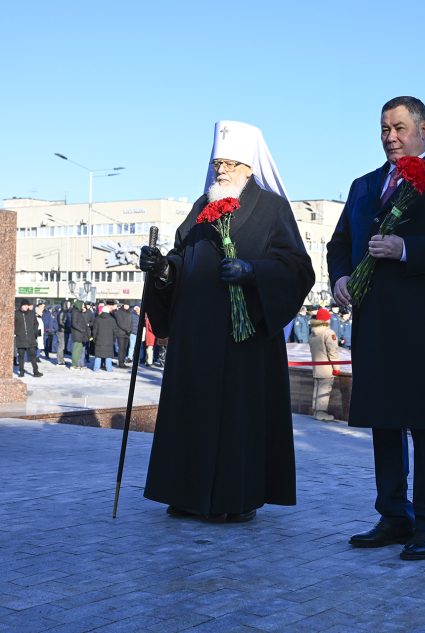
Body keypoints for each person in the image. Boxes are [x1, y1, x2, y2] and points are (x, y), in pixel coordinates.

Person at [327, 96, 425, 561]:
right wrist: (338, 277)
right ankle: (393, 515)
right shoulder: (364, 185)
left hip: (424, 326)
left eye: (398, 128)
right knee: (384, 422)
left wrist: (406, 249)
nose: (390, 137)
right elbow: (339, 243)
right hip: (376, 325)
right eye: (383, 129)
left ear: (424, 129)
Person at [138, 120, 314, 523]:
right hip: (196, 337)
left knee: (237, 419)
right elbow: (184, 259)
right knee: (192, 414)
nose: (221, 170)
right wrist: (162, 269)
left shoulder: (272, 208)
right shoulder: (202, 207)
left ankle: (237, 497)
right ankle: (184, 492)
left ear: (250, 167)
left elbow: (297, 269)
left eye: (231, 164)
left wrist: (252, 271)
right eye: (218, 162)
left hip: (243, 339)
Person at [308, 307, 340, 421]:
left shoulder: (313, 333)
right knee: (324, 390)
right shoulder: (328, 332)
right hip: (326, 367)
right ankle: (321, 413)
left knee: (317, 388)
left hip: (316, 366)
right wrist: (336, 368)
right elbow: (333, 352)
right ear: (326, 320)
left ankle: (316, 411)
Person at [13, 299, 43, 378]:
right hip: (20, 338)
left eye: (27, 305)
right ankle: (21, 371)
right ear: (21, 306)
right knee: (21, 356)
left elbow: (36, 324)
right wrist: (16, 332)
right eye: (24, 305)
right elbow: (13, 325)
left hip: (30, 338)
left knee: (33, 356)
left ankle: (35, 371)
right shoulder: (16, 314)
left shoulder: (32, 314)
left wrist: (34, 333)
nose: (26, 307)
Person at [91, 304, 116, 371]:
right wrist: (113, 340)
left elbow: (94, 330)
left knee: (98, 355)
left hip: (99, 340)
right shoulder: (112, 320)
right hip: (109, 340)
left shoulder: (97, 319)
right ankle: (109, 368)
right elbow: (114, 331)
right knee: (108, 355)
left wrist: (94, 339)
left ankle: (96, 368)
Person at [70, 300, 89, 370]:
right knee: (76, 350)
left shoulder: (78, 312)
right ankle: (74, 365)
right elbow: (74, 323)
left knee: (79, 350)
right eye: (82, 305)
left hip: (80, 334)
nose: (83, 306)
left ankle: (77, 364)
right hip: (77, 334)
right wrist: (81, 329)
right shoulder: (75, 312)